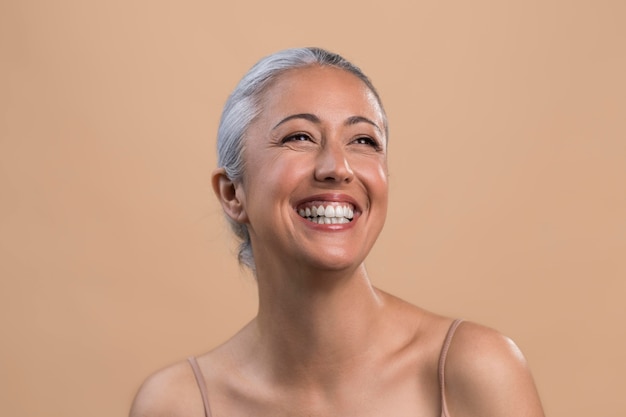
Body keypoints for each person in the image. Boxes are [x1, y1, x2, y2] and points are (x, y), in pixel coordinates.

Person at [129, 47, 544, 417]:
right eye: (299, 137)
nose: (337, 167)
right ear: (233, 193)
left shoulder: (473, 370)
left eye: (363, 140)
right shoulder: (176, 404)